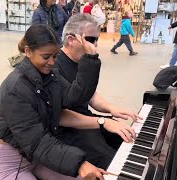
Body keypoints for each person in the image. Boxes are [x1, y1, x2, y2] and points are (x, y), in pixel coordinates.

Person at [0, 24, 136, 180]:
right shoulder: (15, 89)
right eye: (46, 57)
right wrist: (80, 164)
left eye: (55, 56)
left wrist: (91, 58)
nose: (52, 62)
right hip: (13, 163)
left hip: (39, 158)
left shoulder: (50, 75)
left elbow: (74, 97)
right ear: (28, 52)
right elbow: (37, 142)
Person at [55, 13, 142, 169]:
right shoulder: (55, 66)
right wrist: (102, 122)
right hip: (69, 127)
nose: (94, 45)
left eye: (97, 40)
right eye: (90, 39)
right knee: (108, 159)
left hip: (86, 119)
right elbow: (61, 113)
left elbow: (90, 94)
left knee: (127, 137)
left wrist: (111, 109)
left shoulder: (80, 61)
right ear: (71, 39)